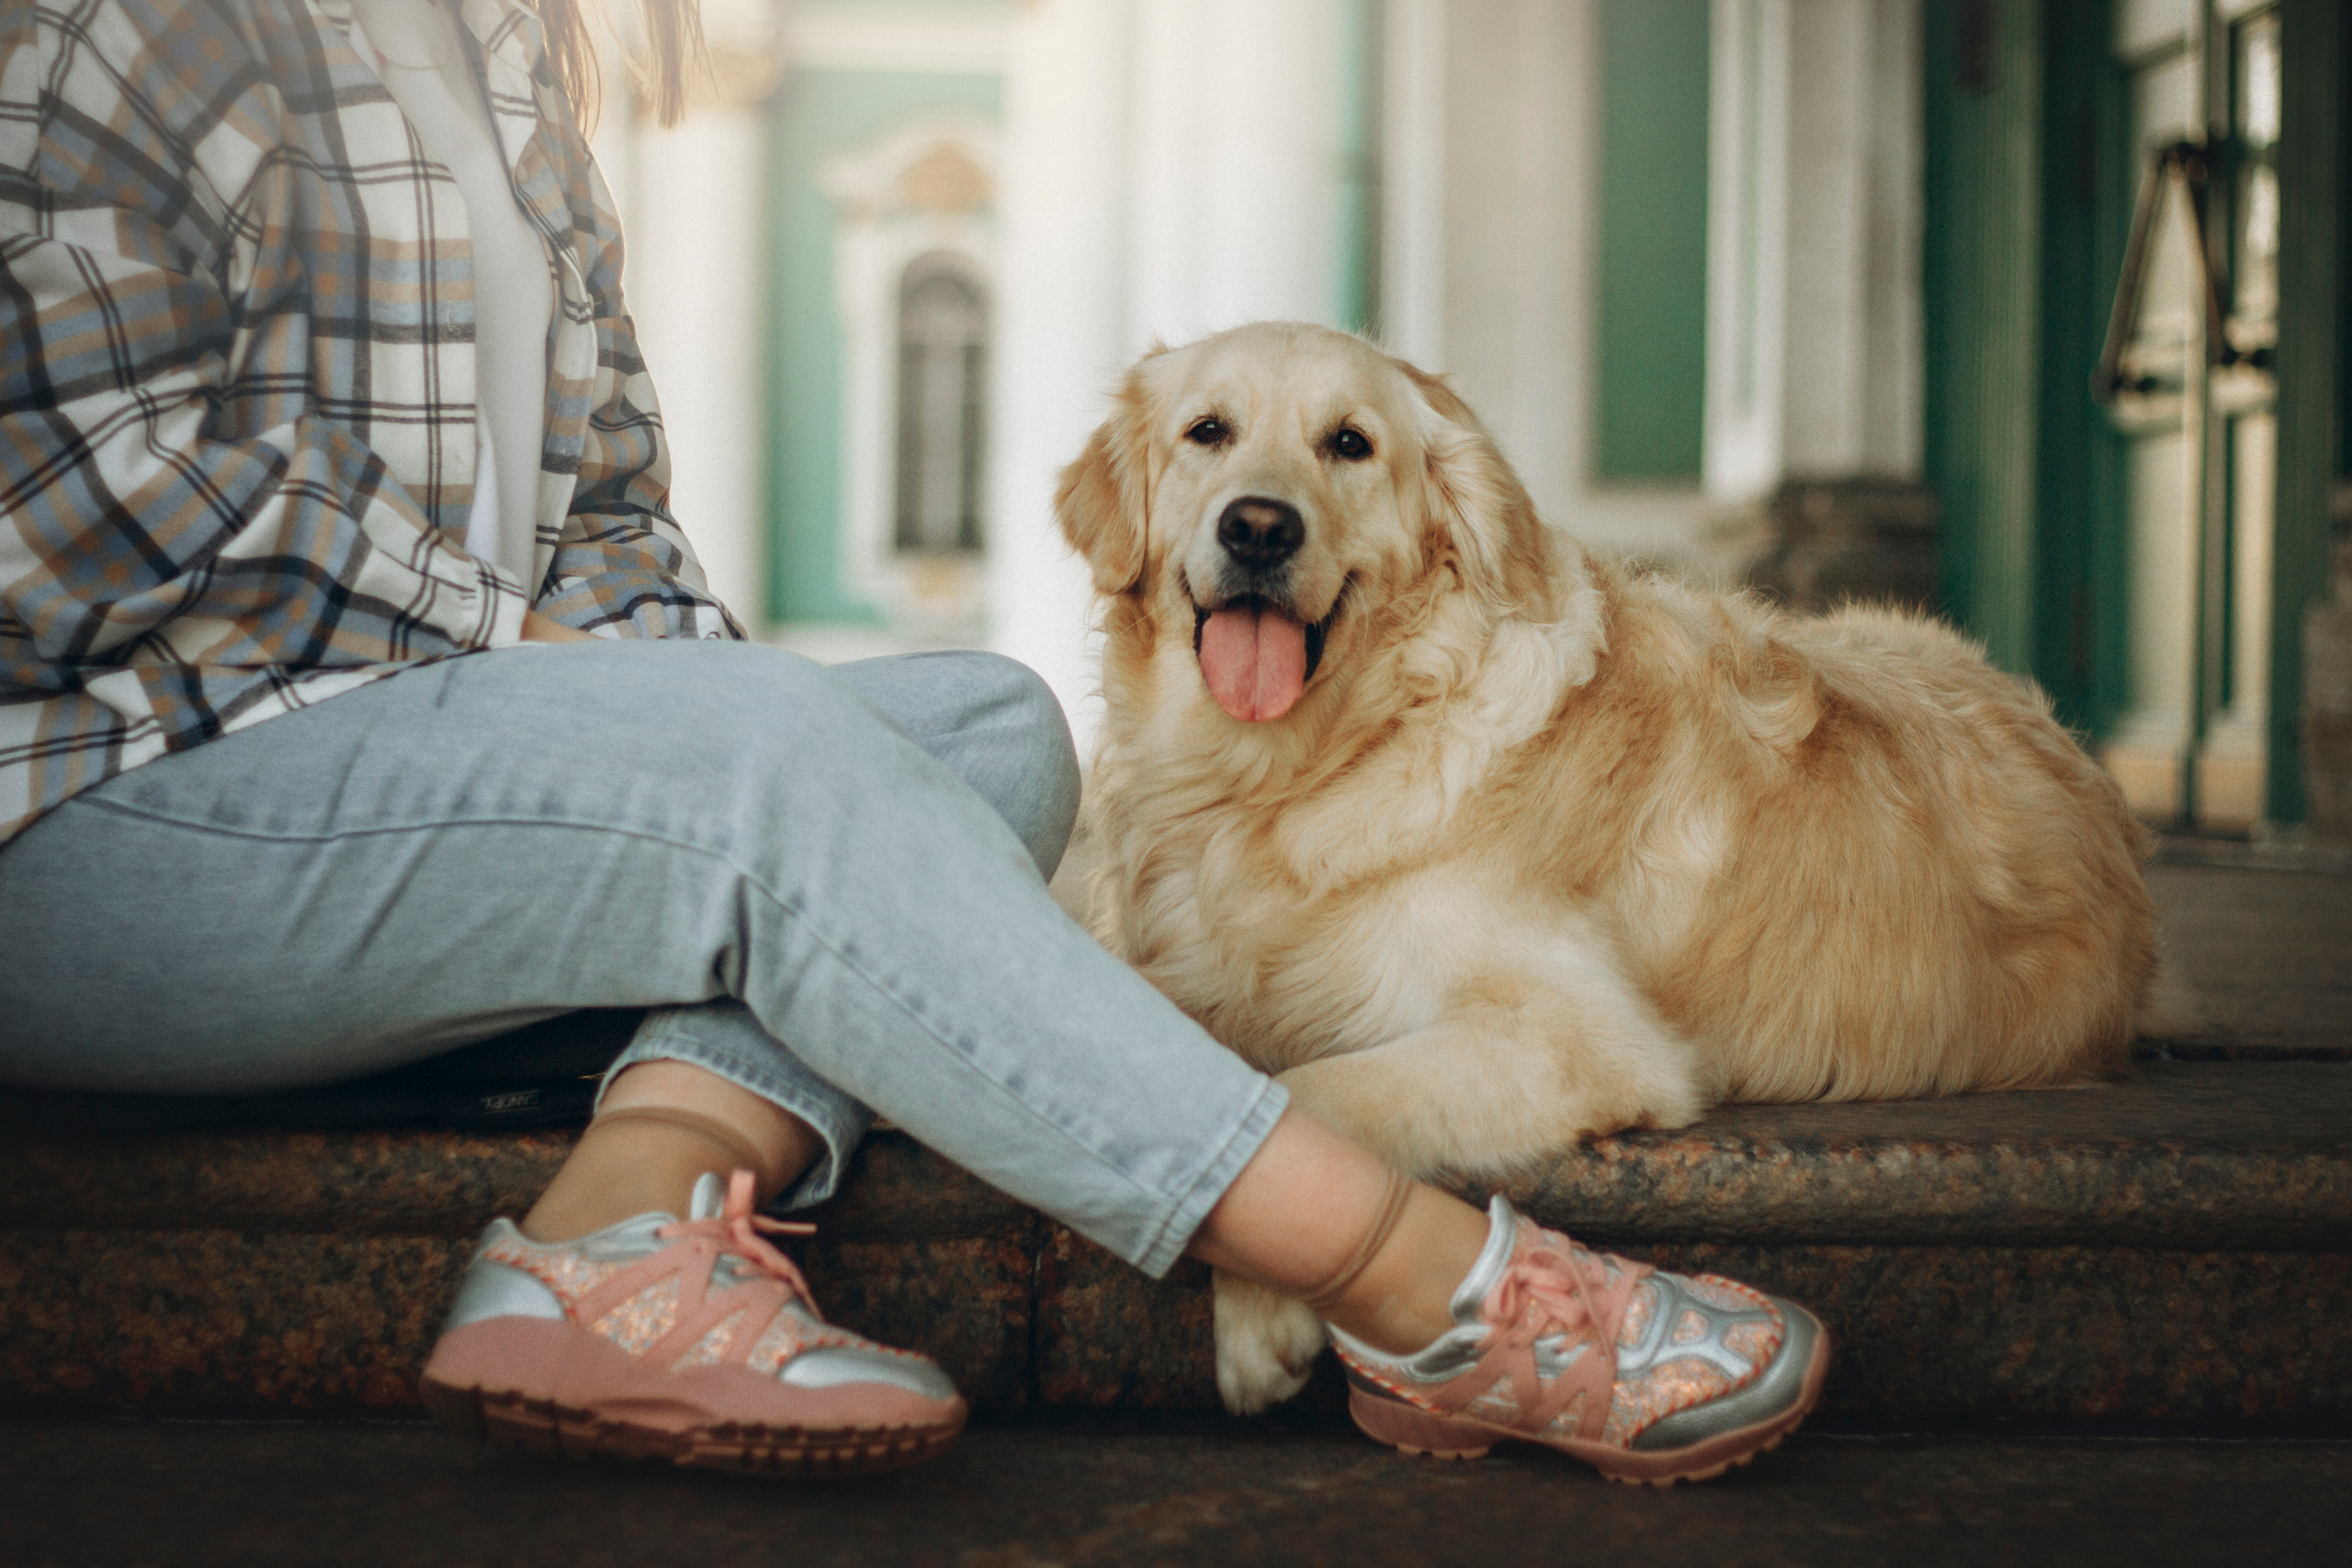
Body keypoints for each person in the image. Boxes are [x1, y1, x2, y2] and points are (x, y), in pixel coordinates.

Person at [0, 0, 1828, 1484]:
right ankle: (1419, 1278)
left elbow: (614, 523)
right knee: (769, 758)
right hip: (121, 816)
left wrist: (644, 694)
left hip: (439, 803)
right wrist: (556, 668)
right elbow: (80, 485)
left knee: (969, 721)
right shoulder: (129, 23)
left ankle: (620, 1229)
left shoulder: (507, 61)